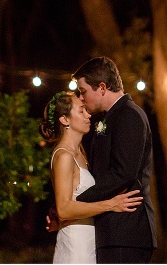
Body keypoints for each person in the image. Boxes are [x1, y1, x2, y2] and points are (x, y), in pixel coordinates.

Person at [40, 91, 144, 264]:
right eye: (81, 111)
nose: (88, 115)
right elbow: (64, 209)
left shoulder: (80, 152)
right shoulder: (64, 156)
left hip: (89, 240)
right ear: (65, 120)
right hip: (75, 246)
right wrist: (111, 204)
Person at [71, 56, 157, 263]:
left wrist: (74, 203)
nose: (81, 98)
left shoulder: (129, 115)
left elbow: (123, 173)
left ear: (102, 87)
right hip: (114, 230)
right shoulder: (111, 117)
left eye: (83, 92)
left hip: (127, 230)